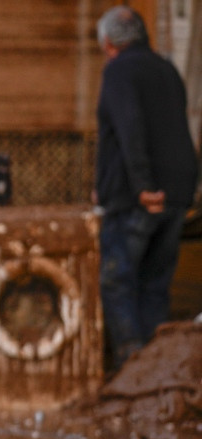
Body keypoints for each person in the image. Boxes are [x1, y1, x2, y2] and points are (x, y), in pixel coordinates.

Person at [94, 6, 198, 370]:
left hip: (141, 197)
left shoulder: (119, 71)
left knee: (118, 280)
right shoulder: (166, 69)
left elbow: (130, 128)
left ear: (108, 43)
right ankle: (157, 367)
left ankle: (132, 365)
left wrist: (141, 186)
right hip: (176, 192)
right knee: (155, 283)